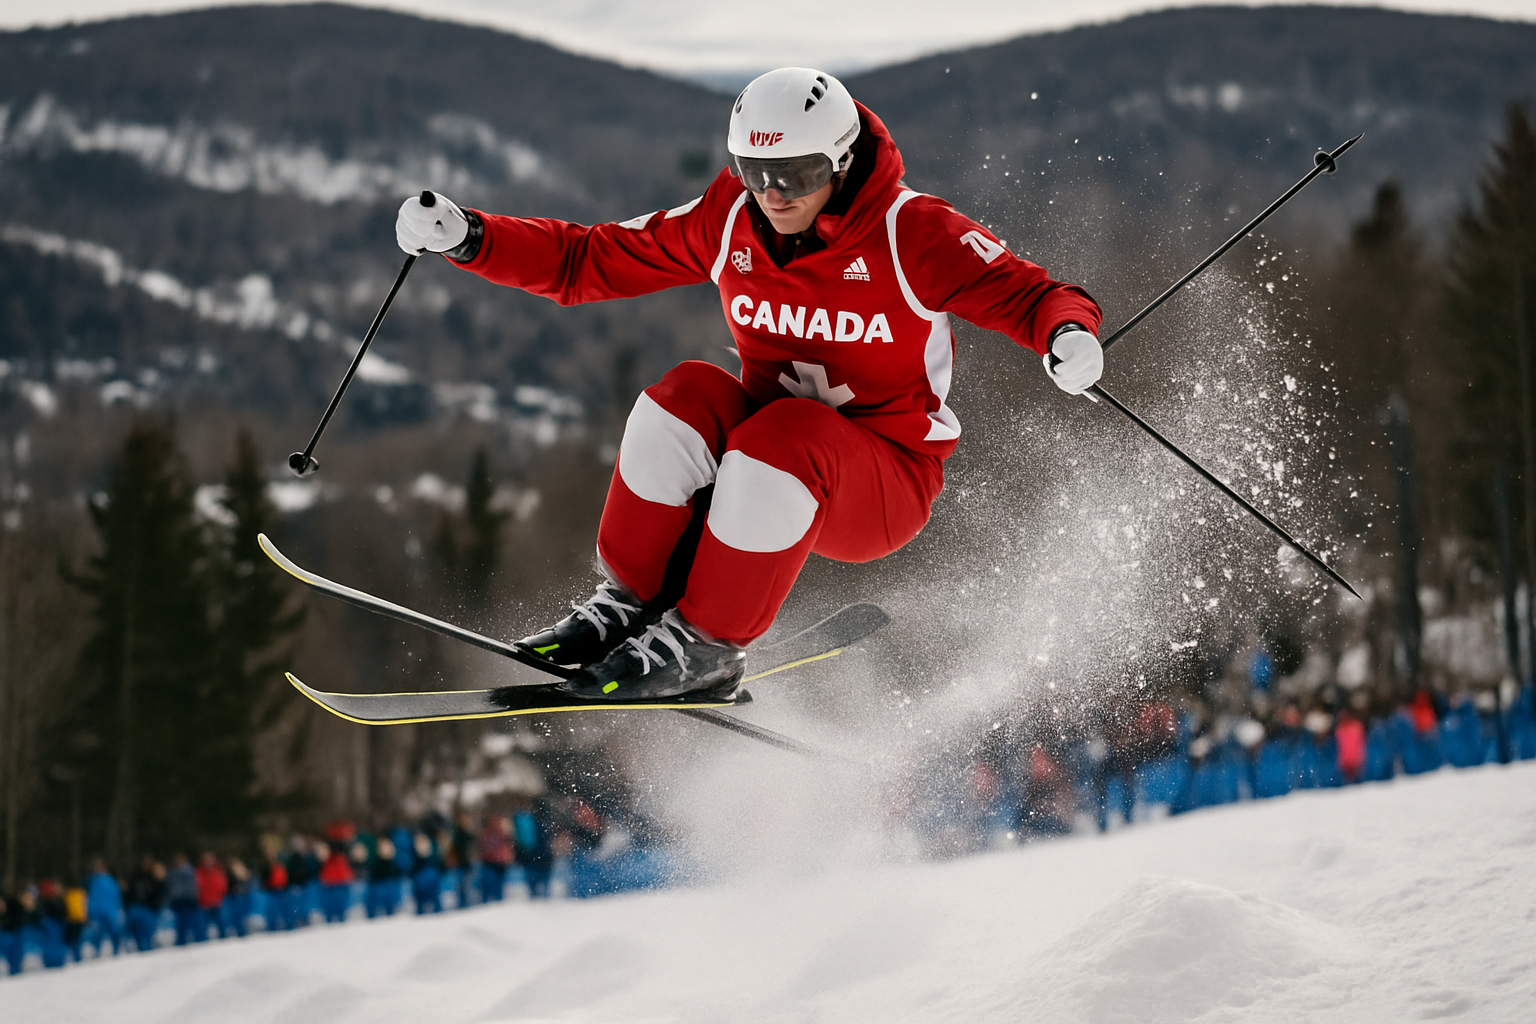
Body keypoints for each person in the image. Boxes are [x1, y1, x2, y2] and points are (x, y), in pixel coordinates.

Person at [395, 67, 1102, 700]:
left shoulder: (910, 232)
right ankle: (632, 602)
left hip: (882, 483)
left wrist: (1068, 336)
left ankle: (708, 644)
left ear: (841, 160)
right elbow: (589, 260)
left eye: (796, 173)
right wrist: (471, 238)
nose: (772, 193)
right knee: (685, 396)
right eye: (754, 170)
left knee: (783, 432)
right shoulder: (730, 217)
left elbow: (1033, 296)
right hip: (760, 468)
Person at [122, 855, 165, 952]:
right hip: (136, 908)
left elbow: (159, 895)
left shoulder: (154, 878)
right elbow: (128, 893)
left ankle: (146, 948)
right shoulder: (135, 877)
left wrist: (160, 880)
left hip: (149, 910)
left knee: (147, 935)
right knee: (138, 935)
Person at [83, 856, 124, 957]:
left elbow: (116, 894)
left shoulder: (109, 880)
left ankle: (117, 950)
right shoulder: (90, 881)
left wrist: (118, 907)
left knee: (115, 932)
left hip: (110, 911)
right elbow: (86, 897)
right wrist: (89, 912)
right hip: (97, 913)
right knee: (97, 934)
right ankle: (96, 953)